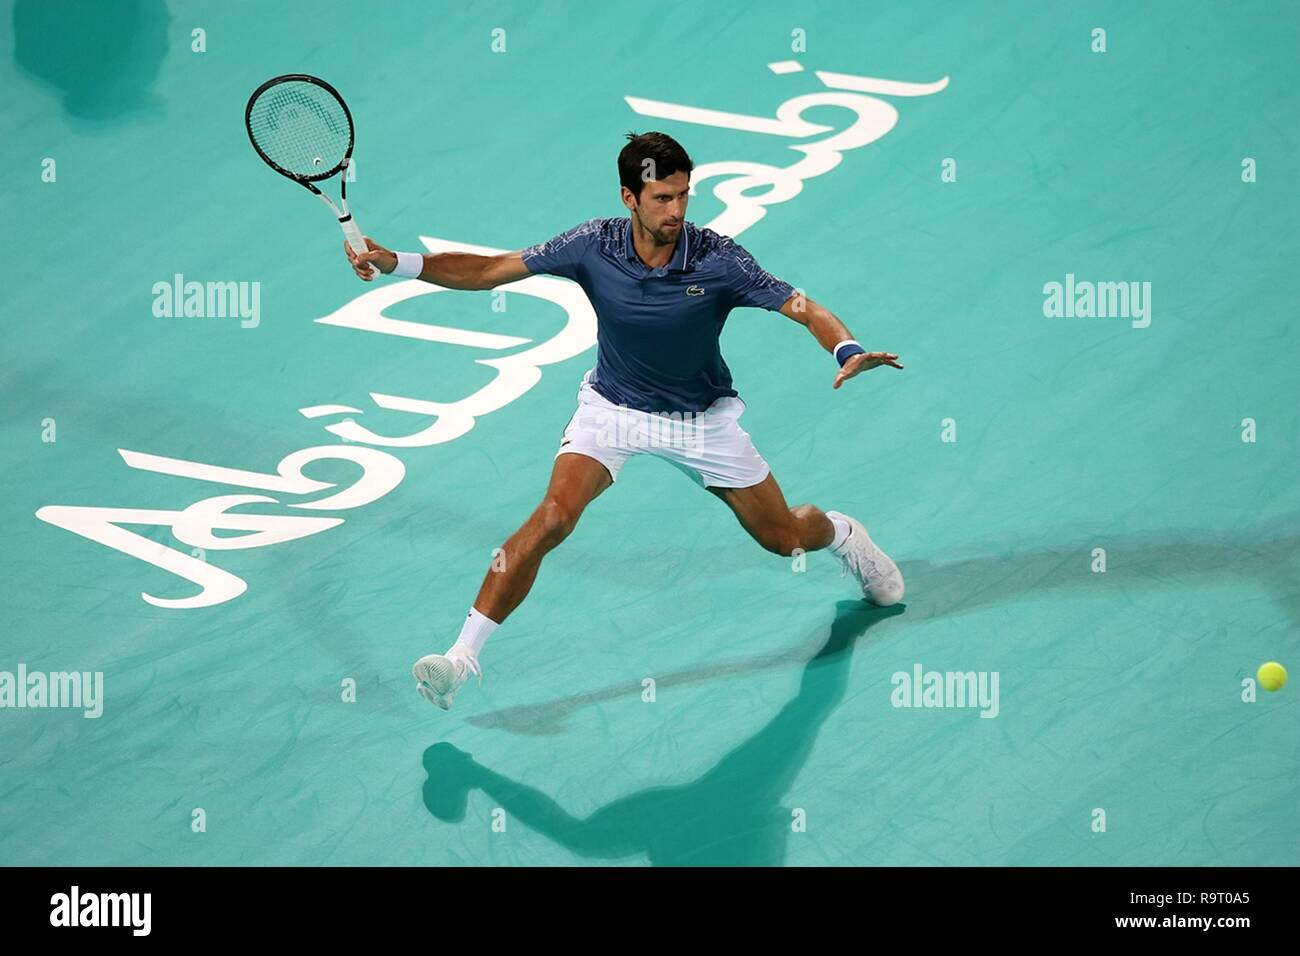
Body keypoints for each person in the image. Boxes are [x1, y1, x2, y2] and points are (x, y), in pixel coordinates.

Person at [344, 131, 905, 712]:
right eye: (662, 198)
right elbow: (490, 271)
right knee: (554, 516)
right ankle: (460, 659)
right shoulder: (593, 244)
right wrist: (398, 263)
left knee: (782, 538)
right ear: (629, 198)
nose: (677, 211)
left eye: (684, 195)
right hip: (614, 408)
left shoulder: (717, 258)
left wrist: (847, 351)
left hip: (699, 421)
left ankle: (842, 535)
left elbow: (804, 308)